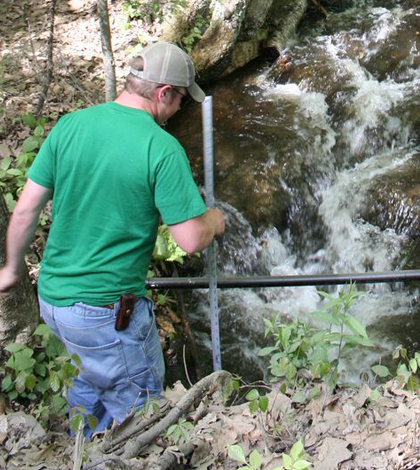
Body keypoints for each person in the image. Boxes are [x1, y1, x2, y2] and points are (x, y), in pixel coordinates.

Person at [0, 41, 225, 437]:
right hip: (105, 312)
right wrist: (216, 220)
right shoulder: (160, 146)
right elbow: (189, 239)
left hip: (54, 301)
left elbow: (25, 210)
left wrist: (12, 269)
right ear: (163, 94)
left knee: (87, 394)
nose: (176, 112)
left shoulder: (72, 125)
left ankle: (83, 456)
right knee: (143, 421)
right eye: (178, 102)